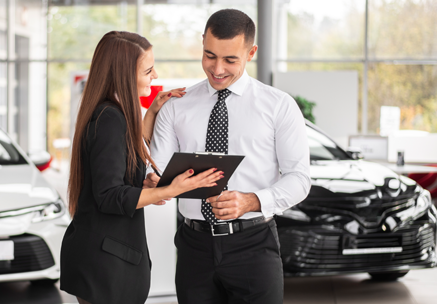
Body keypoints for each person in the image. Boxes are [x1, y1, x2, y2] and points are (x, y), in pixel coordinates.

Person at [148, 9, 311, 304]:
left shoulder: (278, 106)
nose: (217, 68)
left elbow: (299, 179)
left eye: (230, 59)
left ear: (251, 53)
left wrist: (251, 200)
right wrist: (155, 184)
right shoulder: (176, 107)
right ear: (202, 43)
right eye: (210, 55)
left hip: (253, 243)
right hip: (193, 246)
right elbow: (158, 171)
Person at [59, 31, 224, 304]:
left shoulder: (109, 112)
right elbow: (110, 195)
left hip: (100, 256)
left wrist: (152, 113)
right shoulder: (110, 118)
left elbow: (121, 154)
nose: (155, 75)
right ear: (124, 73)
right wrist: (170, 189)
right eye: (148, 70)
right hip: (105, 262)